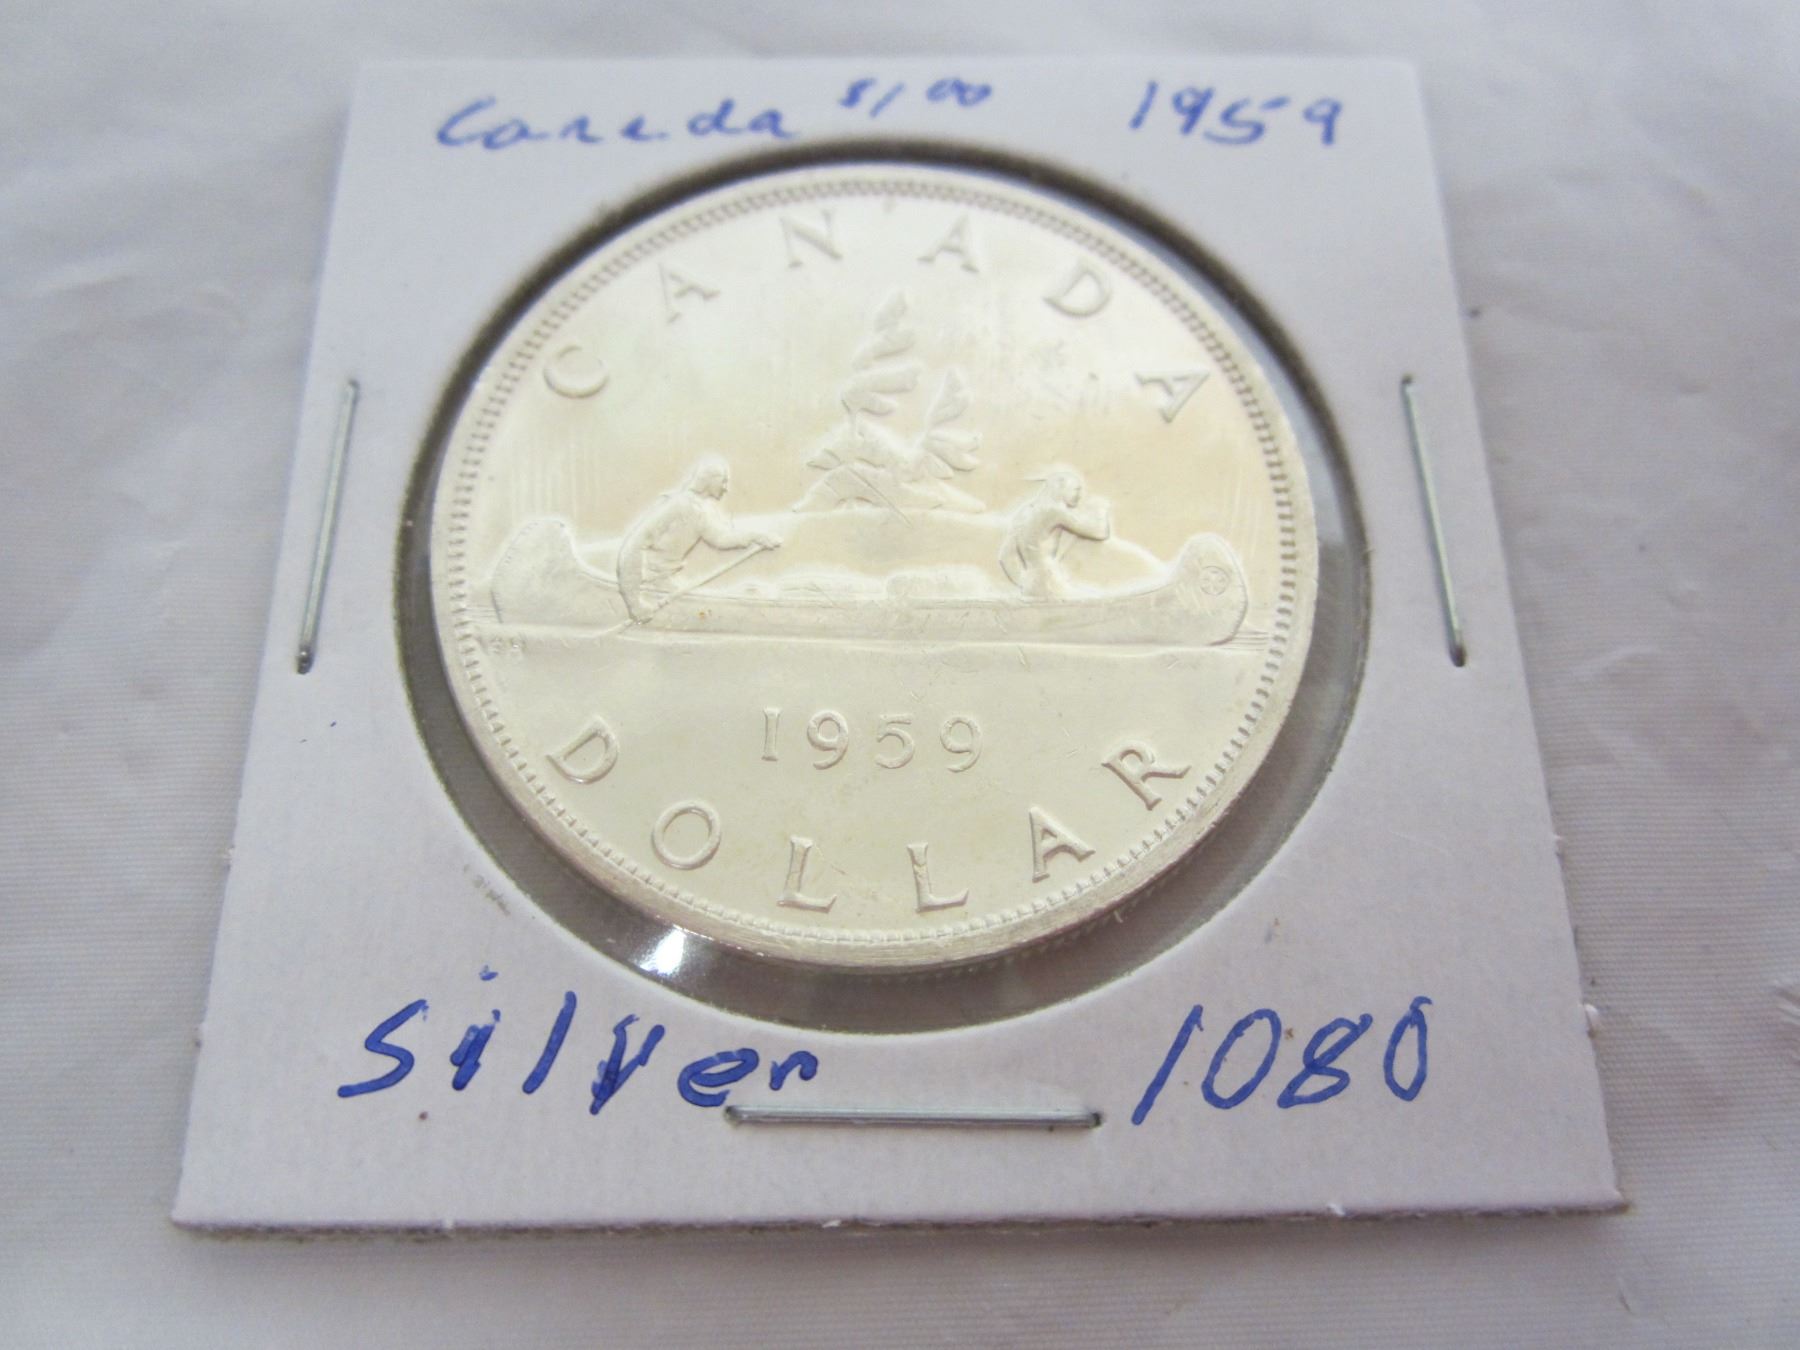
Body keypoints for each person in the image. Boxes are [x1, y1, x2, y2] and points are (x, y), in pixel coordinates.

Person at [615, 456, 780, 620]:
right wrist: (634, 604)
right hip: (645, 583)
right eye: (723, 481)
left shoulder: (698, 509)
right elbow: (634, 544)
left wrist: (756, 537)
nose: (726, 488)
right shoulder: (677, 505)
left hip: (664, 582)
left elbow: (720, 538)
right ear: (710, 480)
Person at [998, 467, 1111, 599]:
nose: (1079, 496)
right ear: (1060, 489)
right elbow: (1099, 532)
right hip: (1050, 581)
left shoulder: (1025, 511)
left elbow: (1005, 556)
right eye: (1076, 490)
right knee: (1098, 601)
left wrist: (1025, 583)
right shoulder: (1055, 511)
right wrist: (1101, 509)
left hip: (1032, 582)